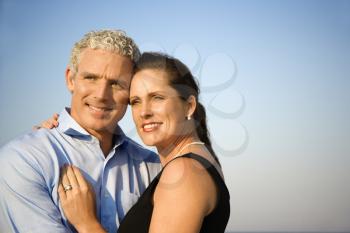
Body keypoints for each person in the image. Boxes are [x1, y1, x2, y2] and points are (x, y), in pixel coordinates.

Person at [44, 52, 230, 233]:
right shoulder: (196, 162)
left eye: (157, 97)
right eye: (136, 101)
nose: (144, 112)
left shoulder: (184, 172)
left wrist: (87, 224)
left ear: (189, 106)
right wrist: (57, 131)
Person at [0, 30, 161, 233]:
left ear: (131, 91)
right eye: (91, 78)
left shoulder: (152, 167)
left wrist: (87, 225)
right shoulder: (23, 159)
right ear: (70, 79)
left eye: (116, 83)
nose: (101, 95)